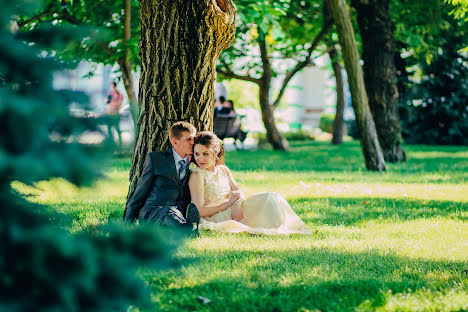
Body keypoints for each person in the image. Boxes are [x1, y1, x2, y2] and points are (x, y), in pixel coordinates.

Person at [188, 131, 309, 235]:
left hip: (234, 208)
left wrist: (236, 205)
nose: (200, 159)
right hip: (217, 215)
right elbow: (199, 211)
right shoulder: (197, 176)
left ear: (215, 153)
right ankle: (278, 228)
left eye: (205, 154)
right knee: (267, 201)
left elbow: (238, 191)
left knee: (272, 197)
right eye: (197, 154)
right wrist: (229, 203)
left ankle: (285, 226)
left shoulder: (223, 170)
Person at [123, 121, 200, 233]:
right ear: (175, 142)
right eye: (188, 140)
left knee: (173, 215)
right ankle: (188, 230)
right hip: (154, 210)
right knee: (168, 212)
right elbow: (140, 191)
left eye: (194, 139)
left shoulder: (197, 161)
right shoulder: (156, 159)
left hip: (180, 213)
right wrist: (127, 223)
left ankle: (186, 228)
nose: (193, 143)